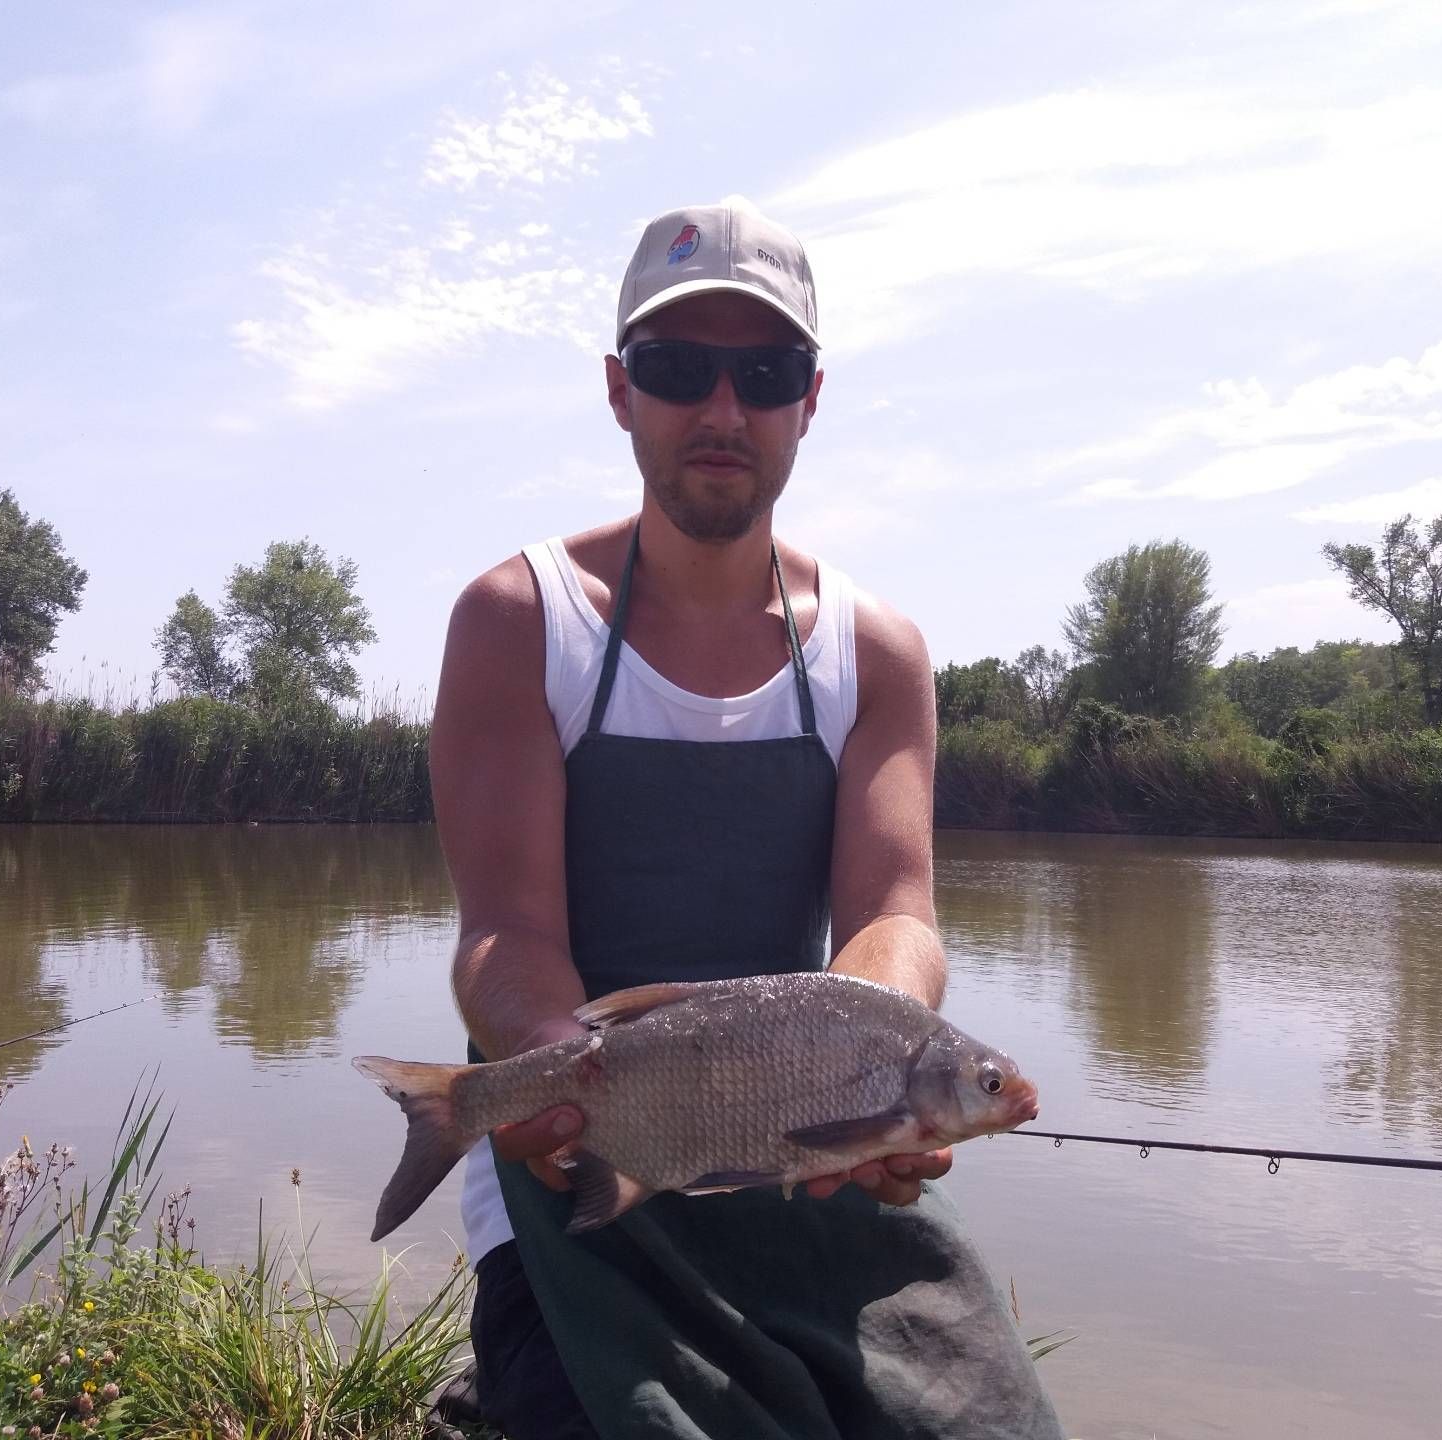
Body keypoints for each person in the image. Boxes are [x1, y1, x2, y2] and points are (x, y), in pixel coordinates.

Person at [428, 196, 1062, 1440]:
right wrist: (562, 1076)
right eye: (678, 368)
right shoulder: (518, 620)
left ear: (808, 398)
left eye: (762, 373)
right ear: (621, 389)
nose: (722, 411)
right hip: (582, 1166)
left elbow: (894, 908)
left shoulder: (878, 651)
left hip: (808, 1150)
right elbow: (503, 932)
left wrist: (876, 1069)